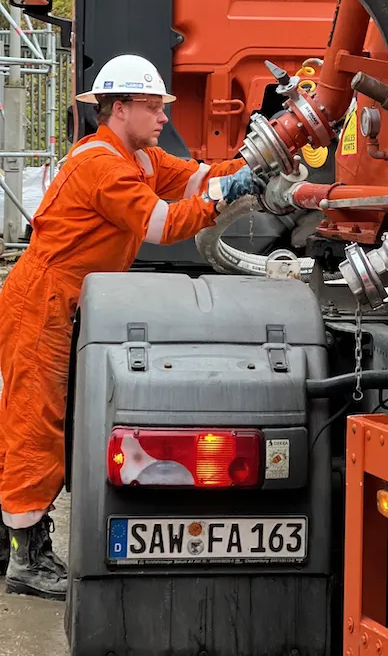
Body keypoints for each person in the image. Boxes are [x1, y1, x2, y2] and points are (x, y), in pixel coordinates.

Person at [0, 54, 257, 600]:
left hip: (60, 299)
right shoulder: (103, 166)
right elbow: (163, 225)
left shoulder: (137, 157)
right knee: (35, 425)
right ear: (120, 108)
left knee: (42, 421)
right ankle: (26, 558)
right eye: (152, 107)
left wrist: (251, 168)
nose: (163, 116)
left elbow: (194, 178)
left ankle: (13, 538)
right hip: (42, 300)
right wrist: (222, 199)